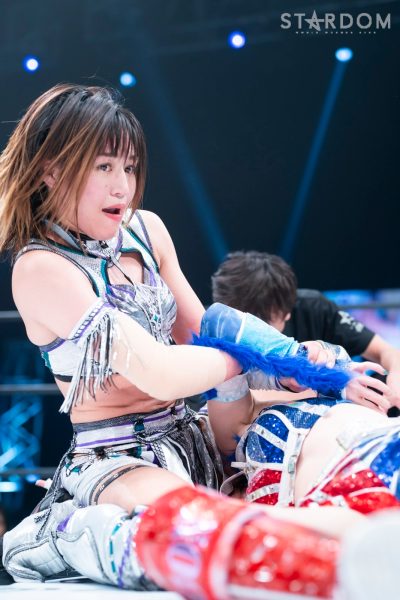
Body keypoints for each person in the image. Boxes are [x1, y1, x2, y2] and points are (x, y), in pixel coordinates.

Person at [0, 83, 393, 597]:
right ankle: (346, 555)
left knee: (336, 427)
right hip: (117, 460)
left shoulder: (146, 230)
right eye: (103, 167)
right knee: (193, 527)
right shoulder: (40, 268)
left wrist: (300, 369)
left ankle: (367, 532)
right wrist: (267, 356)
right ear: (51, 171)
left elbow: (202, 331)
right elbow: (160, 372)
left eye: (129, 167)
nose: (123, 186)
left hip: (196, 430)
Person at [212, 250, 400, 407]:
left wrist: (396, 380)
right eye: (242, 326)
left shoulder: (314, 308)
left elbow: (387, 352)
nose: (257, 335)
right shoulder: (213, 331)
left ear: (287, 312)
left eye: (265, 325)